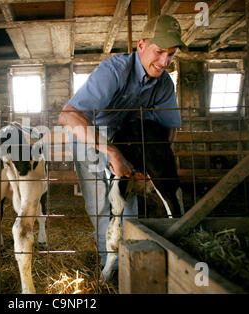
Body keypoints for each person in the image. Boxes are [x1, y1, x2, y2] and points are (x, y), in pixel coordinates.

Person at [58, 14, 186, 269]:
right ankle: (111, 268)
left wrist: (151, 168)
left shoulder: (163, 84)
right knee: (100, 204)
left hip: (126, 138)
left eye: (170, 55)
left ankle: (128, 264)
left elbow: (170, 129)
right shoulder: (114, 71)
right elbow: (68, 116)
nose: (164, 62)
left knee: (127, 203)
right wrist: (111, 153)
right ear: (141, 45)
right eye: (159, 52)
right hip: (90, 135)